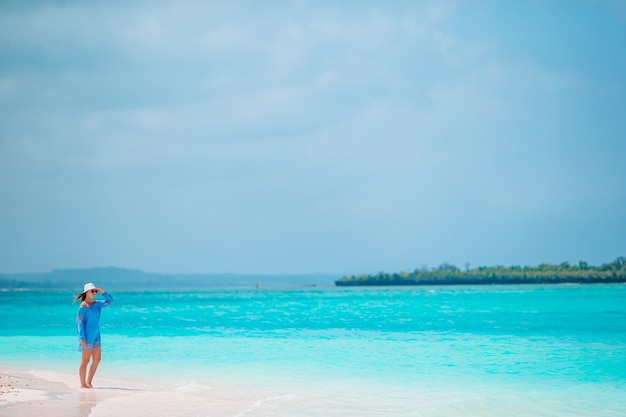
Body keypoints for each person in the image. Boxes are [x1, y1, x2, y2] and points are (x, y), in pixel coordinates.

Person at [74, 282, 113, 388]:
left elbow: (110, 301)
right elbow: (79, 323)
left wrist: (103, 292)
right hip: (87, 337)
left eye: (95, 291)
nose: (94, 293)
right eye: (92, 291)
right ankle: (83, 384)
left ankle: (89, 382)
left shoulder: (97, 304)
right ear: (86, 292)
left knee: (97, 359)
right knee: (85, 361)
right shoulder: (83, 306)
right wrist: (82, 337)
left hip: (96, 336)